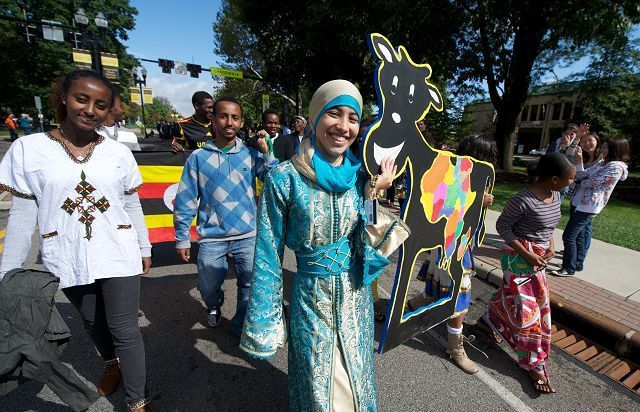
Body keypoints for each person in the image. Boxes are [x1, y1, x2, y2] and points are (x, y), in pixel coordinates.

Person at [240, 80, 405, 411]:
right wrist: (265, 319)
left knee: (356, 378)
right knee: (318, 385)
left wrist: (374, 193)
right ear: (316, 117)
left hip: (355, 298)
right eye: (334, 113)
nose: (344, 127)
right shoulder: (284, 177)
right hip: (310, 300)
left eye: (353, 118)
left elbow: (366, 241)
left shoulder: (361, 178)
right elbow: (268, 253)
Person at [0, 70, 153, 411]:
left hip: (118, 250)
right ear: (63, 99)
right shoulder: (29, 149)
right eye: (82, 99)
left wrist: (144, 246)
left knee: (125, 327)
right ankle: (111, 363)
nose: (90, 110)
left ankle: (137, 401)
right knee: (92, 321)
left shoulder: (118, 153)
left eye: (100, 104)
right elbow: (23, 218)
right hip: (65, 252)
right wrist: (7, 273)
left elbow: (131, 204)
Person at [173, 96, 277, 336]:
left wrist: (268, 152)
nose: (229, 122)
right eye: (223, 116)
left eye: (235, 117)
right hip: (212, 237)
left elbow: (273, 180)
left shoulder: (252, 155)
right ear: (213, 120)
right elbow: (186, 198)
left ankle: (240, 322)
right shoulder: (198, 158)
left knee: (250, 284)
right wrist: (182, 237)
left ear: (241, 123)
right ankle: (213, 305)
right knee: (208, 285)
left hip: (248, 234)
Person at [478, 152, 575, 394]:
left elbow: (550, 224)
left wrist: (550, 244)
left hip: (537, 258)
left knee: (512, 297)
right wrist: (526, 254)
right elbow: (502, 227)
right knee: (529, 311)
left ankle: (488, 321)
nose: (571, 183)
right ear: (554, 178)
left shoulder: (555, 195)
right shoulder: (522, 200)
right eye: (570, 179)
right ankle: (533, 362)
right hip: (517, 258)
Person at [415, 134, 497, 374]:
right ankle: (455, 347)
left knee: (442, 287)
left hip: (461, 245)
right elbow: (444, 208)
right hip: (449, 246)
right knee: (460, 300)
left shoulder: (481, 179)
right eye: (487, 158)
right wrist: (476, 200)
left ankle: (418, 304)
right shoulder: (453, 175)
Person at [551, 136, 630, 277]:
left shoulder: (616, 167)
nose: (603, 150)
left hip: (588, 206)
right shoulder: (602, 163)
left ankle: (568, 268)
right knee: (579, 236)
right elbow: (582, 174)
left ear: (616, 149)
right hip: (578, 201)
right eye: (604, 147)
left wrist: (579, 180)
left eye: (607, 147)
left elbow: (593, 182)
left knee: (568, 235)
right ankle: (577, 263)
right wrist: (580, 167)